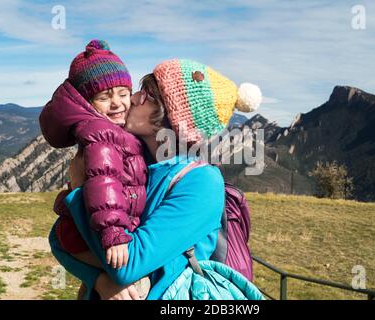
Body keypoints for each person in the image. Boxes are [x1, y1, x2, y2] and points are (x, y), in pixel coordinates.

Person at [49, 59, 262, 300]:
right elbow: (59, 237)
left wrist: (80, 188)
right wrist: (98, 281)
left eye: (149, 96)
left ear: (172, 120)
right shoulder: (136, 164)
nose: (135, 97)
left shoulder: (202, 183)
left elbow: (128, 266)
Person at [40, 40, 150, 297]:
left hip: (91, 231)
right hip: (96, 233)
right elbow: (104, 180)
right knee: (135, 287)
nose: (117, 103)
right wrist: (114, 233)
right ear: (87, 103)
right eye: (104, 97)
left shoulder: (117, 132)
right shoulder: (101, 134)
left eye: (123, 94)